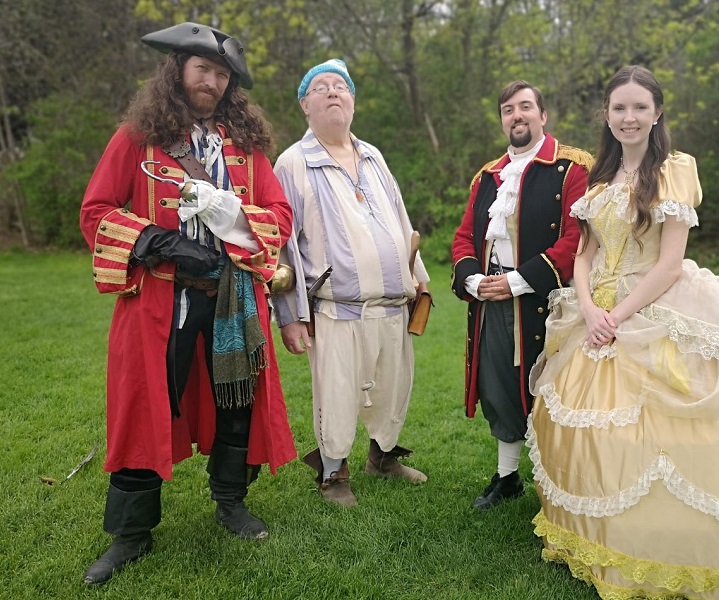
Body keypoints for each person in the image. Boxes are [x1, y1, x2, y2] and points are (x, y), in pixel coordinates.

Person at [526, 65, 719, 599]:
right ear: (606, 117)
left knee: (677, 426)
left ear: (657, 113)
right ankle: (602, 536)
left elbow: (670, 264)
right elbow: (585, 253)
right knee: (583, 423)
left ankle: (683, 545)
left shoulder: (675, 170)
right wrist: (589, 310)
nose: (629, 117)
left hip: (653, 299)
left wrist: (620, 316)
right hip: (596, 310)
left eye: (639, 107)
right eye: (619, 108)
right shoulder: (597, 178)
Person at [79, 22, 297, 585]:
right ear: (177, 70)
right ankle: (131, 535)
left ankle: (231, 503)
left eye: (221, 73)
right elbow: (97, 210)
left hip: (232, 298)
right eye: (202, 68)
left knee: (236, 398)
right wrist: (160, 242)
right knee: (143, 407)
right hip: (160, 300)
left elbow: (280, 215)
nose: (211, 80)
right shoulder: (137, 137)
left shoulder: (245, 149)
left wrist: (234, 224)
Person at [272, 59, 429, 507]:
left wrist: (419, 282)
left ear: (353, 101)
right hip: (335, 307)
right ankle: (332, 473)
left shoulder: (373, 155)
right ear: (306, 104)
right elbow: (282, 244)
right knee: (338, 393)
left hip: (393, 304)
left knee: (393, 386)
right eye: (320, 87)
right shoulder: (294, 162)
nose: (332, 92)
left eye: (341, 86)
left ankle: (381, 457)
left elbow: (401, 219)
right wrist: (289, 316)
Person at [451, 80, 592, 511]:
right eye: (508, 109)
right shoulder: (488, 176)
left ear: (543, 115)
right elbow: (463, 239)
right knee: (498, 386)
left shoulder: (571, 168)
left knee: (555, 391)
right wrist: (475, 281)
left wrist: (517, 281)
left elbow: (577, 240)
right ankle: (508, 477)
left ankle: (562, 481)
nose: (517, 115)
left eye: (525, 107)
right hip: (492, 298)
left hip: (548, 299)